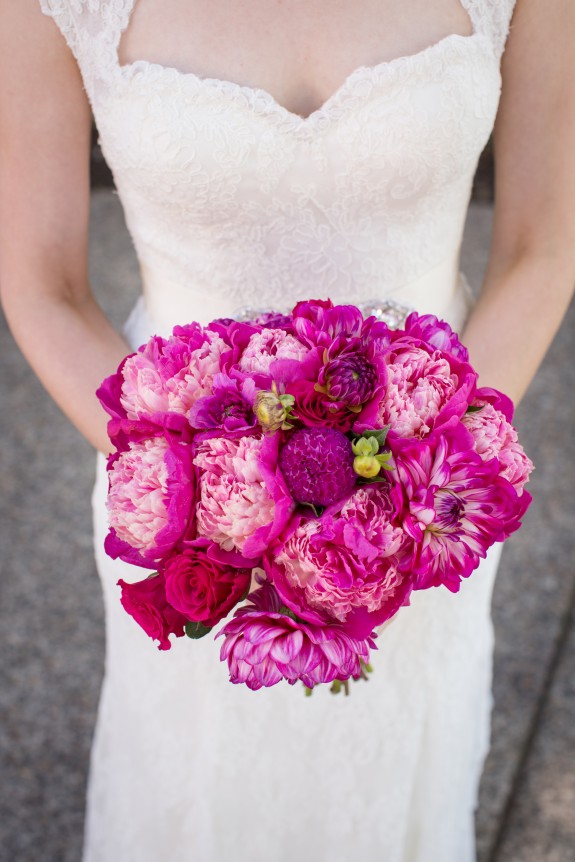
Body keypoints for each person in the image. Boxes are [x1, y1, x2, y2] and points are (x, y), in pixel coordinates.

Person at [1, 1, 574, 860]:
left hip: (425, 497)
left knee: (403, 763)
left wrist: (422, 482)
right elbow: (42, 285)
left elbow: (542, 246)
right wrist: (202, 497)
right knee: (191, 771)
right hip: (183, 507)